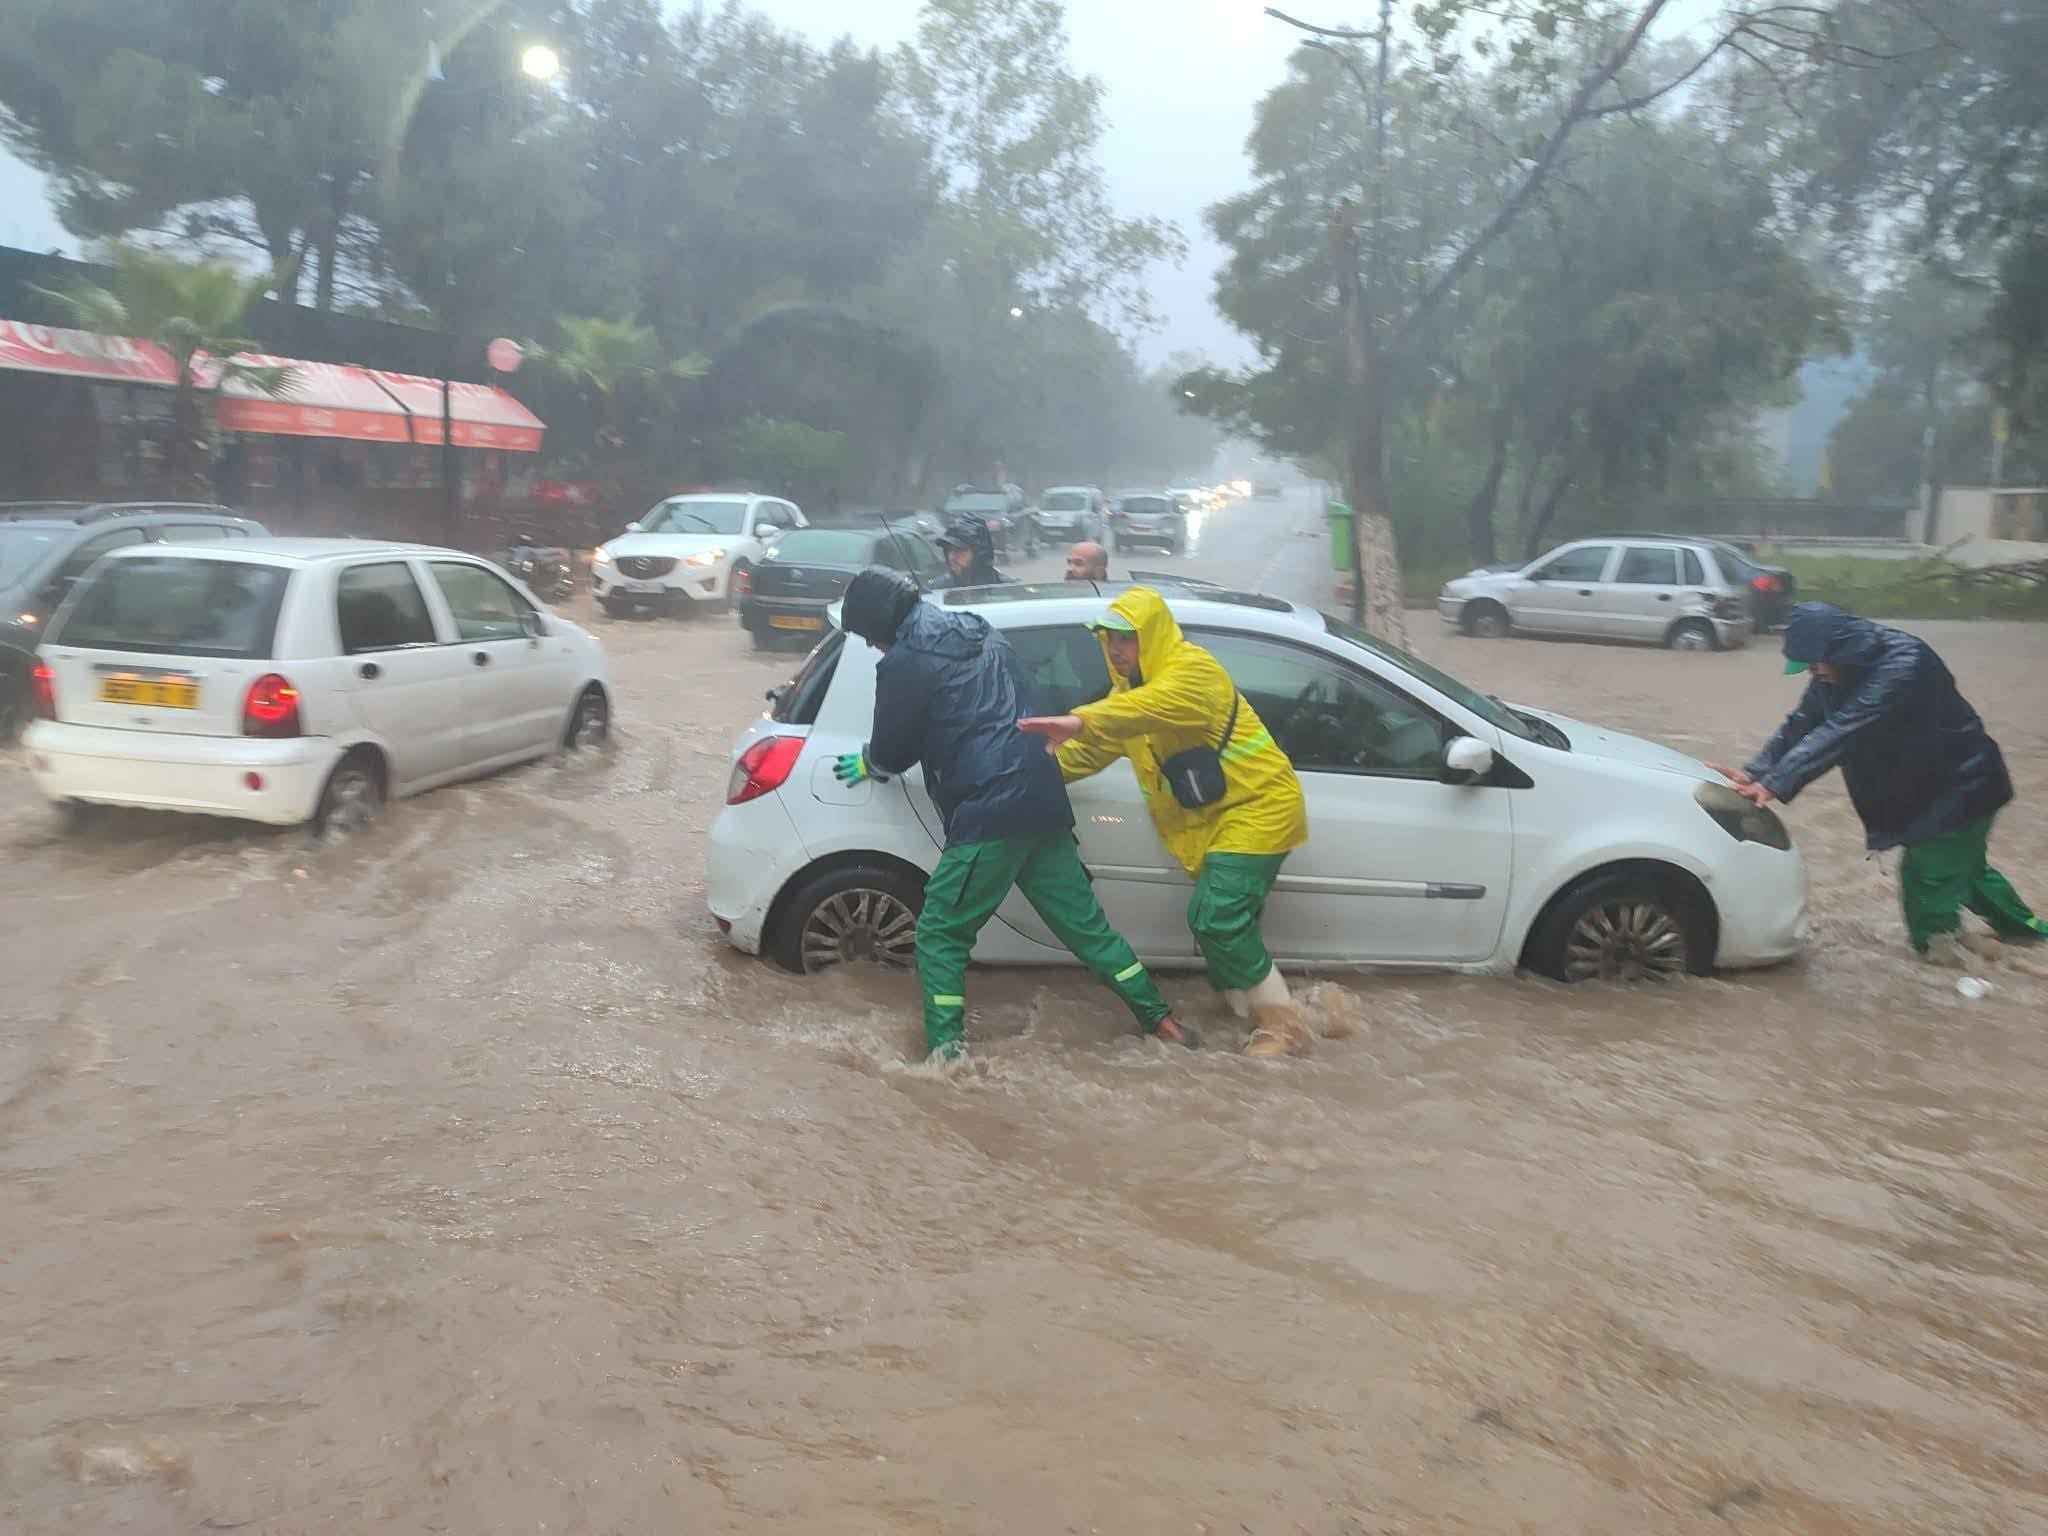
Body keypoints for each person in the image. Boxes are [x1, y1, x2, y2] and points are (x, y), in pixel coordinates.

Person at [833, 568, 1192, 1061]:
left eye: (869, 637)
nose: (873, 647)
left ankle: (945, 1061)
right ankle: (1165, 1023)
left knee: (940, 934)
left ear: (879, 624)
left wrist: (869, 760)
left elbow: (894, 752)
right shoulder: (980, 629)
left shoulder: (906, 662)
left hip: (989, 809)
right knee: (1088, 929)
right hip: (1042, 796)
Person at [1017, 587, 1313, 1058]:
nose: (1115, 649)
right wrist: (1017, 771)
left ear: (1151, 636)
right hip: (1214, 818)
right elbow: (1094, 750)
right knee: (1226, 922)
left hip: (1260, 806)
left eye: (1127, 639)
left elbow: (1146, 709)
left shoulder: (1193, 672)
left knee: (1215, 919)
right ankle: (1242, 1011)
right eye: (1108, 639)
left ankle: (1283, 1026)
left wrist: (1080, 719)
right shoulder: (1126, 693)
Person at [1709, 601, 2045, 961]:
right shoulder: (1835, 673)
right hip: (1930, 788)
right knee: (1965, 870)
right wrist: (1756, 771)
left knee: (1926, 876)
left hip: (1963, 783)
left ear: (1843, 650)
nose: (1811, 672)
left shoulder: (1904, 664)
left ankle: (1940, 962)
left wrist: (1775, 784)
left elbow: (1845, 730)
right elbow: (1804, 721)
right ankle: (2029, 933)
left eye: (1815, 662)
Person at [933, 514, 1014, 589]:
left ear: (979, 553)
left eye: (959, 550)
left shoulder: (1008, 589)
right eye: (949, 550)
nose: (951, 557)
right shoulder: (937, 590)